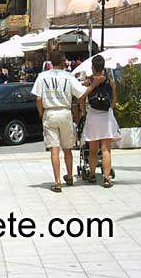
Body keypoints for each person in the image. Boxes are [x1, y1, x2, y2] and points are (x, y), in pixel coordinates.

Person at [31, 51, 104, 193]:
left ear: (51, 62)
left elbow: (38, 98)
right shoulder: (68, 76)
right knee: (67, 148)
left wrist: (41, 113)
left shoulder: (42, 76)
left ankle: (57, 182)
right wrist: (94, 84)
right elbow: (82, 93)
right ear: (63, 62)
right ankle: (69, 176)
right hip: (65, 112)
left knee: (54, 149)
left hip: (50, 112)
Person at [80, 55, 121, 188]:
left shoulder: (89, 81)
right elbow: (114, 99)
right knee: (106, 149)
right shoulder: (110, 81)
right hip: (106, 117)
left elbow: (82, 97)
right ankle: (107, 178)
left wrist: (84, 112)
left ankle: (92, 175)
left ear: (92, 67)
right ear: (103, 67)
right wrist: (110, 109)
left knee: (93, 150)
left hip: (93, 116)